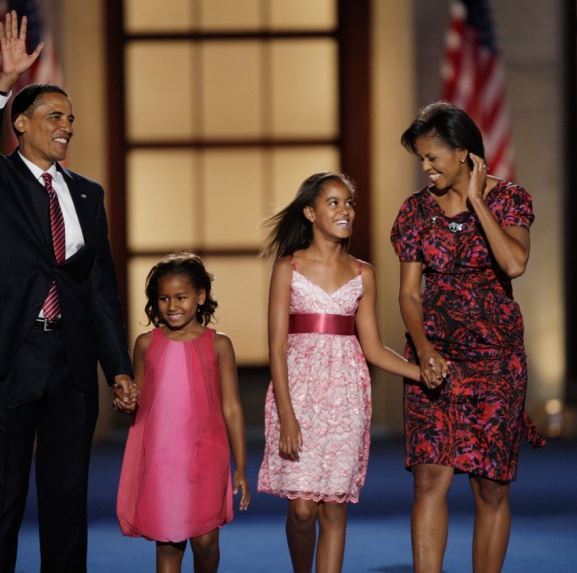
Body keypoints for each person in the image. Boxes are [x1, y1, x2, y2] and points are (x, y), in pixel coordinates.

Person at [0, 12, 136, 573]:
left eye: (71, 119)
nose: (67, 126)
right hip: (12, 354)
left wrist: (117, 367)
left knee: (66, 501)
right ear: (22, 124)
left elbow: (101, 287)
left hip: (72, 364)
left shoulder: (88, 194)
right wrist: (3, 84)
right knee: (1, 499)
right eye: (55, 116)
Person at [390, 101, 545, 573]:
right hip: (434, 360)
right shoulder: (415, 211)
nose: (425, 167)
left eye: (432, 156)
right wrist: (426, 348)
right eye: (420, 158)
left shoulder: (509, 199)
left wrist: (478, 200)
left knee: (490, 485)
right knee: (429, 479)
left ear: (463, 153)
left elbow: (514, 263)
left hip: (496, 363)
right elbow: (409, 295)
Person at [257, 171, 423, 573]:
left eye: (349, 202)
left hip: (346, 395)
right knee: (301, 511)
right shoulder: (287, 268)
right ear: (310, 213)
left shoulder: (363, 273)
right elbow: (276, 346)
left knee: (333, 508)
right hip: (296, 393)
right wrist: (288, 415)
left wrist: (419, 373)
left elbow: (373, 348)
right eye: (334, 202)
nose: (345, 210)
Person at [116, 252, 250, 573]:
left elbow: (231, 407)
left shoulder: (219, 345)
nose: (172, 306)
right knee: (169, 542)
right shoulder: (146, 344)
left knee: (205, 542)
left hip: (207, 454)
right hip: (162, 459)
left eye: (181, 297)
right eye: (163, 298)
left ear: (201, 296)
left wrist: (241, 465)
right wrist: (125, 401)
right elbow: (139, 400)